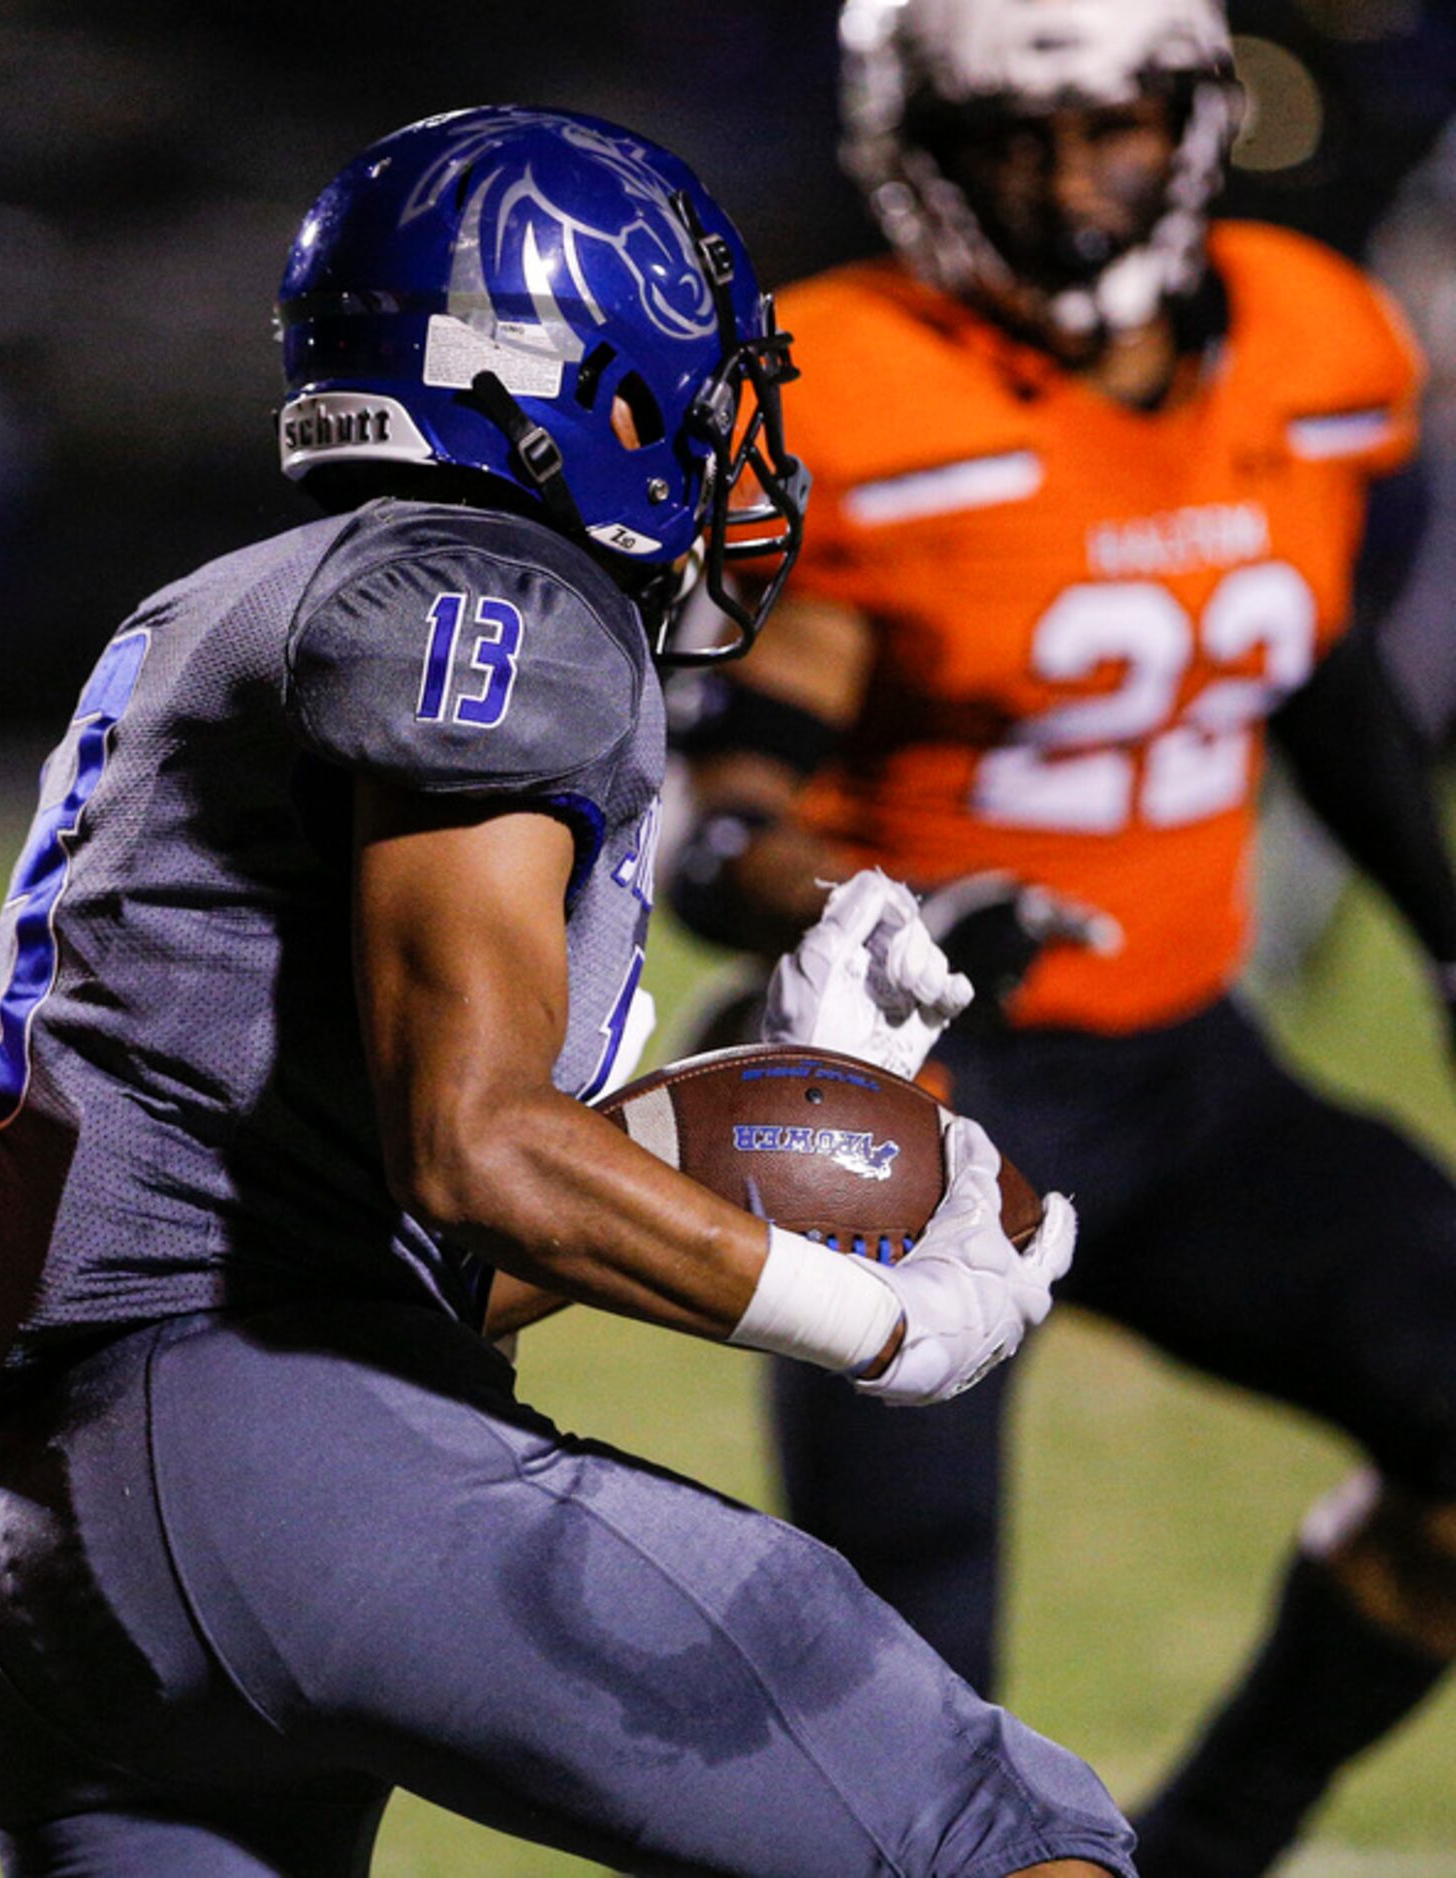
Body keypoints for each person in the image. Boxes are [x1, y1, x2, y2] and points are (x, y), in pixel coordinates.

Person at [0, 104, 1134, 1877]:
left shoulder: (210, 605)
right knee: (1004, 1830)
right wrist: (876, 1319)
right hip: (303, 1455)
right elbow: (473, 1154)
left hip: (53, 1551)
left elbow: (403, 1221)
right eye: (696, 386)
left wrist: (767, 1072)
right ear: (591, 382)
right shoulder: (483, 593)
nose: (729, 438)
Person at [663, 3, 1456, 1871]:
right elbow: (721, 816)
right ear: (912, 140)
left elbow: (1310, 657)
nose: (1060, 176)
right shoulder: (848, 384)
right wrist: (901, 915)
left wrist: (1435, 925)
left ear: (1188, 116)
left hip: (1180, 1064)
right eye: (1004, 131)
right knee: (905, 1697)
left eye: (1105, 121)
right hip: (905, 1098)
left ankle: (1211, 1843)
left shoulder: (1309, 336)